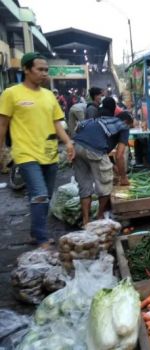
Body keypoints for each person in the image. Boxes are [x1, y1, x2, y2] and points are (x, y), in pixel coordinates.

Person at [0, 52, 75, 248]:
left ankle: (35, 231)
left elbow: (57, 123)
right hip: (25, 154)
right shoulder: (11, 94)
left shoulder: (49, 96)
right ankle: (42, 238)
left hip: (49, 153)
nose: (44, 73)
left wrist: (67, 142)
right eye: (39, 69)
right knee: (39, 194)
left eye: (46, 70)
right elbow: (2, 125)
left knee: (45, 197)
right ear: (26, 69)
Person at [72, 97, 132, 226]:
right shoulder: (123, 126)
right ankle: (99, 217)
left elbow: (105, 152)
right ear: (127, 122)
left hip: (77, 147)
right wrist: (123, 177)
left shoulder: (101, 120)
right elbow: (120, 155)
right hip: (94, 149)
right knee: (105, 184)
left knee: (85, 186)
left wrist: (113, 167)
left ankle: (86, 221)